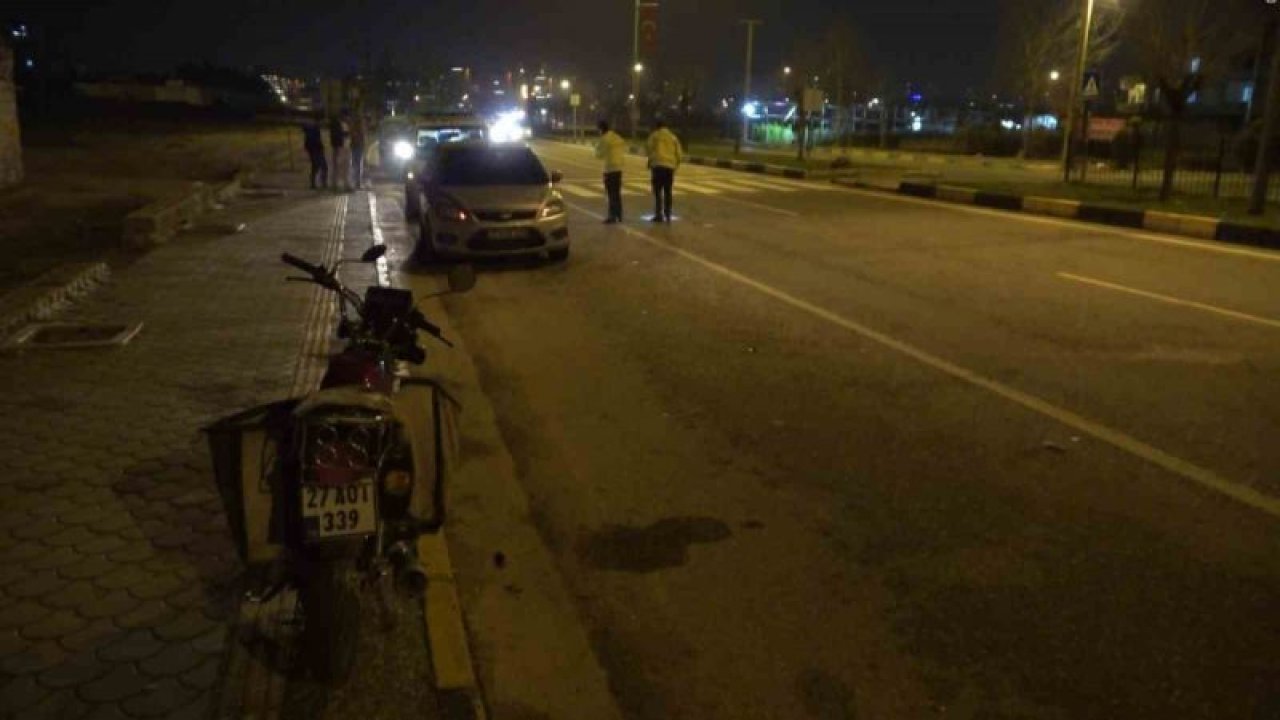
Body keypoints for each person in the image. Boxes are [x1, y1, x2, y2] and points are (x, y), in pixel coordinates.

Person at [645, 118, 683, 222]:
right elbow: (679, 154)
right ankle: (668, 214)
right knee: (668, 191)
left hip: (657, 166)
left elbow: (648, 149)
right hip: (669, 168)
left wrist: (651, 160)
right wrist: (675, 165)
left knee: (657, 192)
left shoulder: (654, 136)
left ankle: (658, 214)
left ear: (657, 127)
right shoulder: (673, 137)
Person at [594, 119, 627, 224]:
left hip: (609, 169)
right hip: (619, 169)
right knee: (617, 193)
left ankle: (612, 216)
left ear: (601, 129)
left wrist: (597, 149)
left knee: (610, 194)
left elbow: (598, 155)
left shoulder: (604, 139)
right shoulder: (617, 137)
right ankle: (619, 215)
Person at [302, 115, 328, 190]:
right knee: (322, 166)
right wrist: (319, 146)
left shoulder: (314, 128)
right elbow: (314, 140)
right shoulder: (314, 129)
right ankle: (322, 183)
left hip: (315, 150)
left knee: (316, 166)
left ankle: (315, 183)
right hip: (316, 150)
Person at [329, 114, 351, 192]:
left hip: (346, 147)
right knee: (339, 167)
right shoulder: (337, 124)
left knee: (346, 167)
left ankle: (345, 184)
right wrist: (345, 134)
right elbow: (337, 136)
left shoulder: (346, 124)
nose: (348, 117)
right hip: (340, 148)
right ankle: (338, 185)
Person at [349, 112, 367, 190]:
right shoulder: (357, 129)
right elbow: (358, 138)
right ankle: (357, 183)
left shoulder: (354, 128)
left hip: (356, 147)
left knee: (356, 165)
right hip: (357, 147)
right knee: (357, 166)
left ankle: (356, 183)